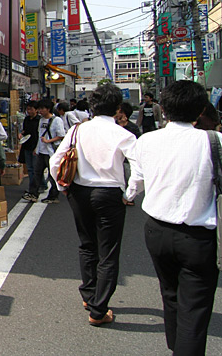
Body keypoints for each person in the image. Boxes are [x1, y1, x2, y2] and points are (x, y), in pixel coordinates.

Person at [126, 81, 219, 355]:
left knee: (170, 293)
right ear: (201, 109)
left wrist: (128, 196)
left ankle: (175, 345)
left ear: (163, 109)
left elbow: (137, 180)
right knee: (195, 306)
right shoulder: (214, 142)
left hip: (157, 232)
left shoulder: (147, 141)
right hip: (199, 236)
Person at [49, 84, 136, 327]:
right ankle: (99, 309)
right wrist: (130, 193)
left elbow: (55, 160)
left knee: (87, 244)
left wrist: (62, 186)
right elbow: (138, 167)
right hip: (109, 194)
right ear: (118, 108)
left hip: (79, 192)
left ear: (93, 106)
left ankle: (89, 296)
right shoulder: (124, 135)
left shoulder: (77, 130)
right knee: (108, 251)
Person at [24, 99, 65, 204]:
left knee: (52, 175)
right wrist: (37, 148)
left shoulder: (56, 120)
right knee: (36, 173)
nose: (40, 111)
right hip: (41, 151)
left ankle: (53, 196)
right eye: (39, 109)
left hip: (51, 152)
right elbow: (39, 135)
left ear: (48, 109)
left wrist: (48, 141)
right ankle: (33, 194)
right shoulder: (41, 120)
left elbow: (61, 135)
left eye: (42, 108)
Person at [19, 101, 40, 187]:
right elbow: (25, 130)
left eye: (31, 109)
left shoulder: (39, 120)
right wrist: (21, 134)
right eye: (28, 109)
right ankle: (34, 186)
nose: (29, 111)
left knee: (35, 168)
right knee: (30, 168)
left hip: (35, 146)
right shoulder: (26, 119)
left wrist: (37, 147)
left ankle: (36, 186)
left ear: (36, 110)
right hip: (26, 145)